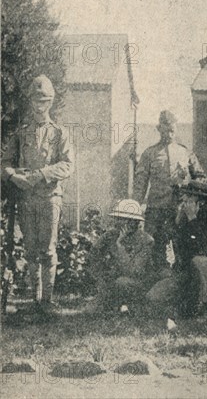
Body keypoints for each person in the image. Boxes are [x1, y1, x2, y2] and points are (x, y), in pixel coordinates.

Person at [1, 75, 74, 316]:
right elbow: (5, 164)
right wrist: (14, 177)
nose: (39, 105)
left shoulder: (59, 133)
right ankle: (35, 300)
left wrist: (42, 173)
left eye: (44, 100)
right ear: (30, 102)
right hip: (27, 199)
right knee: (31, 249)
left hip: (50, 197)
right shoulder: (21, 134)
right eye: (35, 100)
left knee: (48, 249)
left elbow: (67, 165)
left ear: (51, 102)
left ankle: (48, 302)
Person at [133, 110, 206, 270]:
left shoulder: (185, 152)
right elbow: (140, 183)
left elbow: (201, 178)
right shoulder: (149, 154)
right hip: (155, 210)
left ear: (176, 129)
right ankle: (154, 282)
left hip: (179, 210)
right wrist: (135, 209)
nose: (170, 134)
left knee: (182, 247)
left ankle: (181, 282)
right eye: (166, 131)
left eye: (172, 130)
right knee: (152, 247)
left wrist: (188, 187)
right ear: (159, 129)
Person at [88, 199, 159, 313]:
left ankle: (130, 306)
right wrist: (100, 274)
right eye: (119, 219)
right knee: (91, 311)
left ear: (136, 222)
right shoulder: (111, 235)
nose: (118, 223)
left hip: (138, 284)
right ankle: (114, 304)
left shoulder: (146, 241)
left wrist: (119, 246)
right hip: (114, 279)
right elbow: (94, 253)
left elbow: (134, 271)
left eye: (125, 220)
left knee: (122, 282)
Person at [172, 180, 207, 319]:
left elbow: (202, 249)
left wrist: (192, 218)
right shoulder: (182, 218)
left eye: (189, 198)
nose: (184, 200)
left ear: (200, 203)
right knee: (155, 297)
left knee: (199, 261)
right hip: (186, 273)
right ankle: (191, 304)